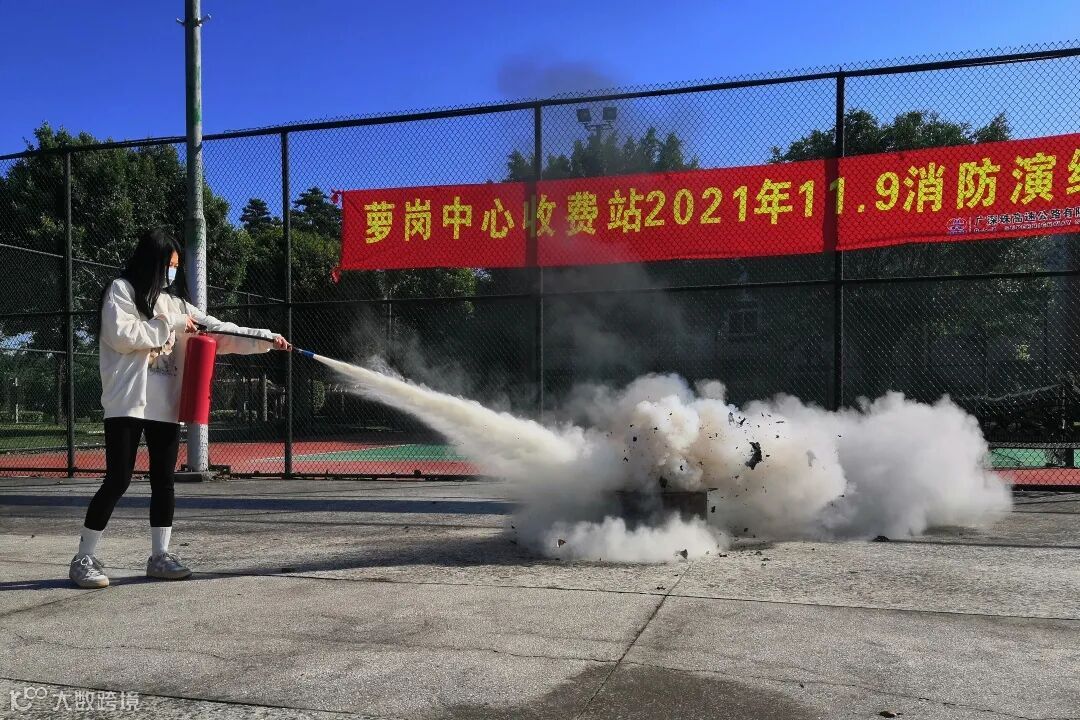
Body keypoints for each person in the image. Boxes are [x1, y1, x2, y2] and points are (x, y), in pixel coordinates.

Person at [69, 227, 291, 588]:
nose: (172, 272)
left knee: (164, 482)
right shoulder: (121, 290)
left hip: (165, 407)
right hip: (128, 403)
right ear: (152, 262)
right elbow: (122, 336)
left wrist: (266, 339)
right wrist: (170, 324)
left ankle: (160, 556)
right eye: (168, 265)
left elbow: (218, 331)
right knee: (118, 479)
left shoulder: (177, 304)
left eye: (176, 266)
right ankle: (83, 558)